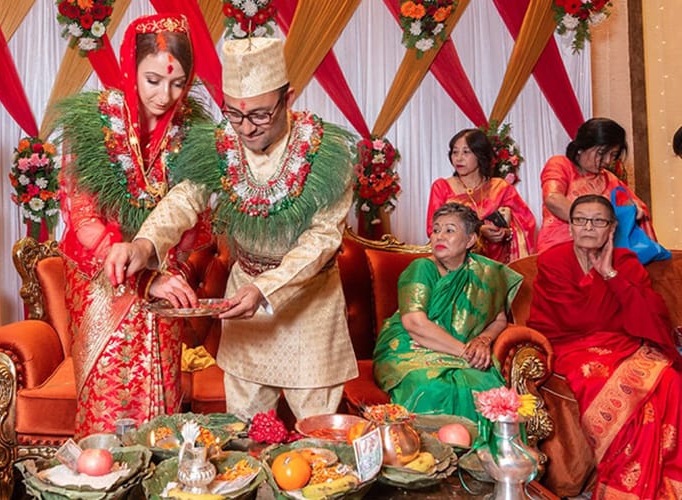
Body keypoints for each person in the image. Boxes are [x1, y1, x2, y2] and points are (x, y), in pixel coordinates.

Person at [104, 37, 359, 422]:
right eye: (234, 116)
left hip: (310, 308)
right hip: (244, 307)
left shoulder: (327, 154)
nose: (246, 129)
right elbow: (185, 198)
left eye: (259, 115)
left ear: (287, 99)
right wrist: (144, 244)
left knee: (317, 439)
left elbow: (323, 238)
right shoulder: (220, 145)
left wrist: (265, 288)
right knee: (245, 433)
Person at [53, 14, 213, 437]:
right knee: (108, 405)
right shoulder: (90, 125)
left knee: (160, 406)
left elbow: (191, 219)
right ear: (130, 66)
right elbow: (82, 214)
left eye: (178, 83)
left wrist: (159, 268)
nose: (165, 95)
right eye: (153, 80)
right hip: (102, 283)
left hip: (163, 277)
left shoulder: (193, 132)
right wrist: (137, 272)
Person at [528, 194, 682, 499]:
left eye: (598, 221)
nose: (588, 227)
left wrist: (610, 274)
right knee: (607, 381)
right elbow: (573, 319)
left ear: (611, 228)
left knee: (670, 381)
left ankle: (664, 485)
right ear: (570, 227)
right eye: (580, 220)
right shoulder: (552, 261)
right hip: (572, 347)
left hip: (622, 344)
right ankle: (623, 489)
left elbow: (651, 318)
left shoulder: (625, 262)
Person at [375, 203, 522, 423]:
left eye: (449, 230)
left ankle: (481, 453)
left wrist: (483, 339)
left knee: (486, 386)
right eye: (436, 230)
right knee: (432, 386)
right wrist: (465, 353)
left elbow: (499, 318)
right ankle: (430, 452)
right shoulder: (422, 269)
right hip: (409, 347)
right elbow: (415, 324)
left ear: (470, 240)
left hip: (458, 350)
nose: (439, 237)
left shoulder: (485, 273)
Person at [537, 117, 655, 253]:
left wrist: (633, 211)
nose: (607, 161)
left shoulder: (608, 179)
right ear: (581, 147)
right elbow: (553, 199)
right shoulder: (561, 164)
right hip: (558, 249)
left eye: (613, 155)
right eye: (601, 153)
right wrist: (593, 224)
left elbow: (635, 207)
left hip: (600, 254)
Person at [426, 129, 536, 263]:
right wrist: (479, 230)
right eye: (455, 152)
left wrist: (505, 233)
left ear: (480, 155)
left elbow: (525, 224)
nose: (458, 158)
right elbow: (432, 229)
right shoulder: (442, 187)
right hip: (457, 266)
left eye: (466, 152)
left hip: (497, 266)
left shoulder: (500, 188)